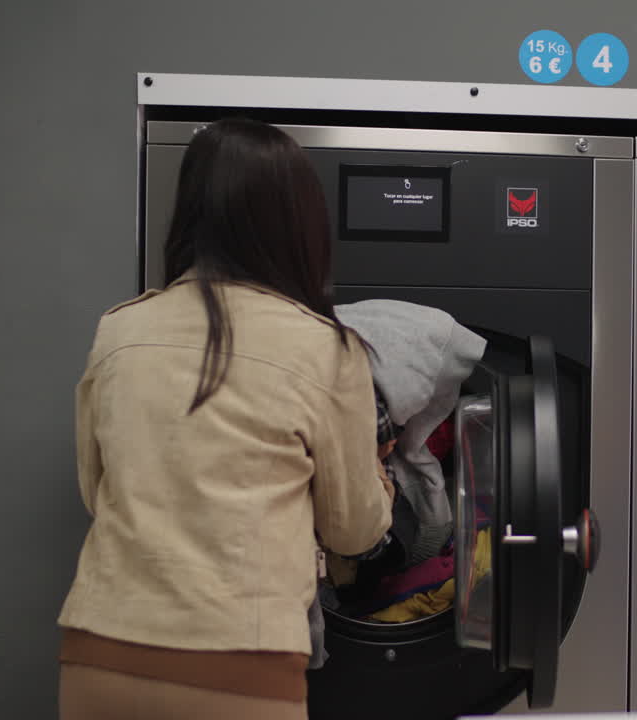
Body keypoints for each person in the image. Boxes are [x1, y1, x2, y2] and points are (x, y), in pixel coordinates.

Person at [55, 118, 393, 720]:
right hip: (238, 663)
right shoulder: (324, 348)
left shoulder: (120, 330)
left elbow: (95, 492)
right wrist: (382, 479)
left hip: (99, 652)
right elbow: (353, 530)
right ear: (299, 223)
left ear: (190, 212)